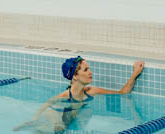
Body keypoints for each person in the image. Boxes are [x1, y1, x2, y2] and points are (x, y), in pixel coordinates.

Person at [13, 57, 145, 133]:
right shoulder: (64, 97)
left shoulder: (92, 91)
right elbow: (47, 108)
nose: (90, 72)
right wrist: (38, 121)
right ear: (75, 76)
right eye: (86, 70)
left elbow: (123, 93)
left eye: (89, 69)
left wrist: (134, 74)